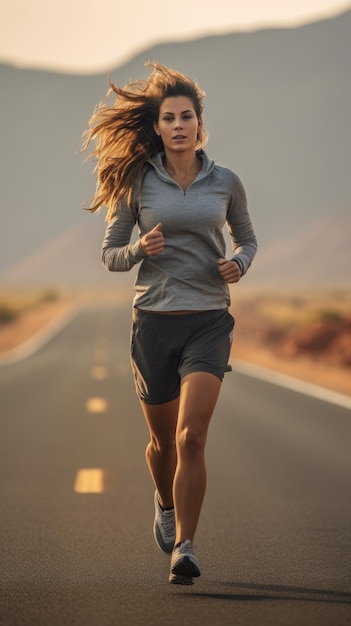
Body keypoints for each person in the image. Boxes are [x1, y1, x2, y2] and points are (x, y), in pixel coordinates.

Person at [82, 61, 257, 585]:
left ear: (200, 123)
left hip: (208, 319)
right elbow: (111, 254)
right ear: (157, 127)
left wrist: (239, 263)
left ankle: (185, 544)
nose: (179, 125)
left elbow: (246, 238)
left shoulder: (226, 181)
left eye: (187, 117)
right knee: (161, 444)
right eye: (169, 119)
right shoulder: (137, 181)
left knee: (192, 438)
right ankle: (163, 500)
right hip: (154, 324)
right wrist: (141, 247)